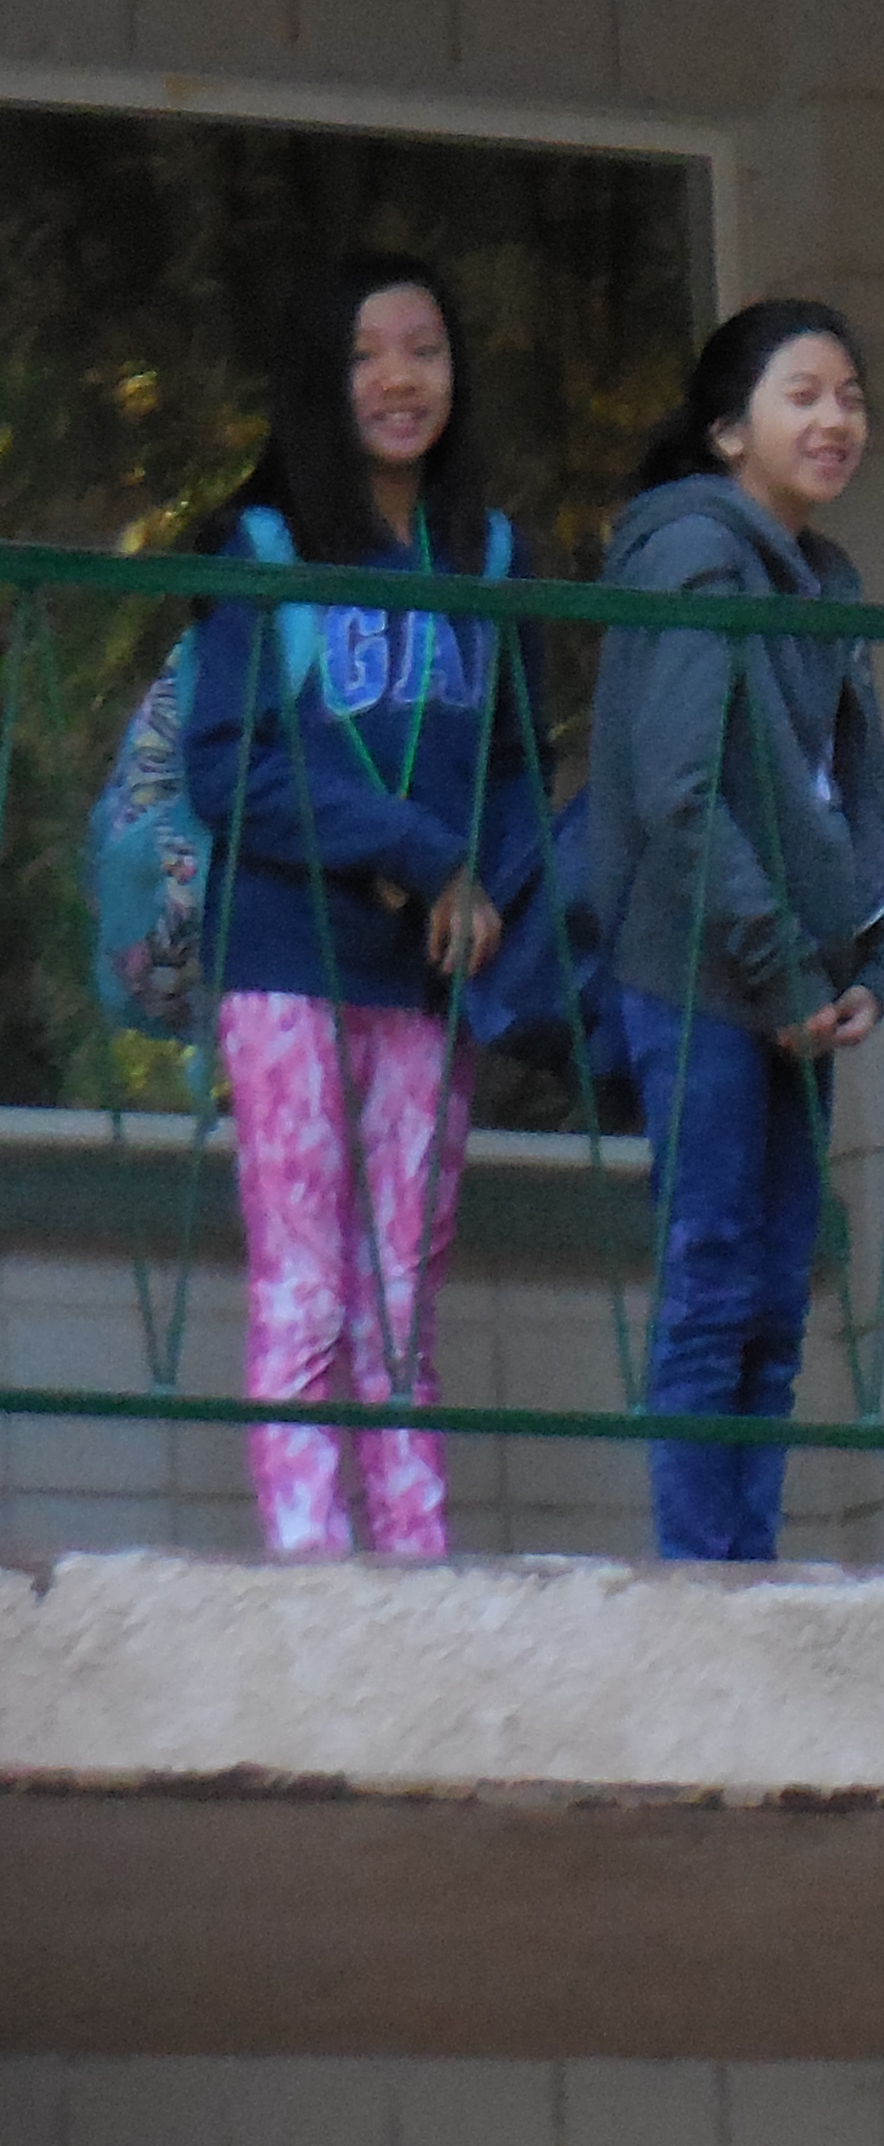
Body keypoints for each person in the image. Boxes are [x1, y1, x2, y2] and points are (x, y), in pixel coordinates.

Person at [179, 251, 559, 1560]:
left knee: (404, 1285)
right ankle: (309, 1568)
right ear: (319, 382)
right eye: (364, 354)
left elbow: (515, 759)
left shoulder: (494, 554)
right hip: (287, 958)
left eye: (426, 350)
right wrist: (407, 844)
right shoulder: (266, 546)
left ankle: (414, 1564)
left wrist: (487, 883)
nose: (399, 379)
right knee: (305, 1278)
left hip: (430, 971)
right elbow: (225, 767)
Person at [584, 300, 884, 1565]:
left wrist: (866, 960)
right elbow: (677, 789)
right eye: (804, 395)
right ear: (727, 430)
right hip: (704, 979)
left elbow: (855, 796)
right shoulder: (691, 554)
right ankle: (696, 1589)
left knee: (777, 1300)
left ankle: (742, 1571)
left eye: (852, 397)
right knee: (716, 1282)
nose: (836, 421)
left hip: (789, 988)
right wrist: (781, 969)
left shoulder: (823, 579)